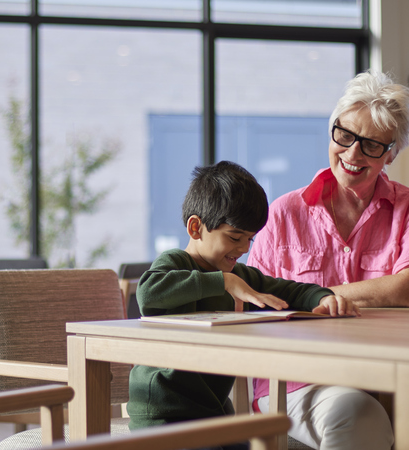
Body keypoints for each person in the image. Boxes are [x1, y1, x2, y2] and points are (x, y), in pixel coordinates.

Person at [127, 160, 358, 450]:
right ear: (196, 227)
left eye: (250, 239)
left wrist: (323, 297)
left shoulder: (242, 276)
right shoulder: (175, 263)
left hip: (211, 414)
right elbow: (148, 293)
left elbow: (286, 289)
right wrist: (222, 281)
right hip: (163, 415)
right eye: (235, 237)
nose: (245, 248)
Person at [247, 70, 409, 449]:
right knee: (356, 414)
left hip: (392, 375)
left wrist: (316, 295)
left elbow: (406, 286)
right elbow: (253, 303)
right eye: (346, 135)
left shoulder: (407, 209)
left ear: (391, 154)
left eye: (371, 145)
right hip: (295, 379)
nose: (353, 153)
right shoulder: (284, 213)